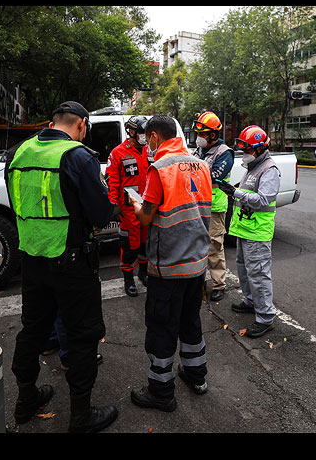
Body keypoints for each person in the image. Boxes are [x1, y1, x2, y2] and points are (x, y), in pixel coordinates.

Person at [5, 100, 118, 433]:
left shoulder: (19, 153)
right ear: (81, 124)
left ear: (52, 122)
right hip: (72, 263)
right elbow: (101, 215)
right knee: (83, 336)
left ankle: (26, 401)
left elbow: (17, 204)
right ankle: (81, 416)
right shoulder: (79, 156)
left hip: (33, 259)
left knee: (33, 331)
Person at [126, 114, 212, 412]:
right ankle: (196, 375)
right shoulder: (202, 165)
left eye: (146, 139)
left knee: (162, 328)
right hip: (197, 263)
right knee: (190, 321)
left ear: (153, 137)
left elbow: (147, 216)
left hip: (169, 266)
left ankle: (161, 392)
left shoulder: (158, 168)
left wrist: (135, 203)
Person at [218, 125, 280, 339]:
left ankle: (265, 318)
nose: (244, 152)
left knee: (259, 275)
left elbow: (264, 199)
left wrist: (236, 193)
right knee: (243, 269)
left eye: (248, 149)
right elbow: (248, 193)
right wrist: (233, 190)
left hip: (257, 232)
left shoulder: (269, 169)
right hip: (245, 229)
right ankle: (251, 301)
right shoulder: (252, 167)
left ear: (260, 148)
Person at [105, 115, 153, 297]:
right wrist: (111, 205)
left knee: (144, 243)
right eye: (142, 133)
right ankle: (128, 278)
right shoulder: (118, 153)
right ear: (131, 132)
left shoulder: (149, 151)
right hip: (128, 210)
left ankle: (143, 273)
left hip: (147, 206)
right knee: (129, 245)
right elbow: (113, 182)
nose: (144, 136)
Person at [191, 111, 234, 303]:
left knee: (215, 247)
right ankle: (199, 279)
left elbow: (211, 175)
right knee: (198, 245)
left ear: (213, 135)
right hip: (198, 205)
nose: (199, 137)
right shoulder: (200, 150)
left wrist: (193, 171)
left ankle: (219, 285)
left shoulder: (224, 153)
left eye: (203, 133)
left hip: (215, 207)